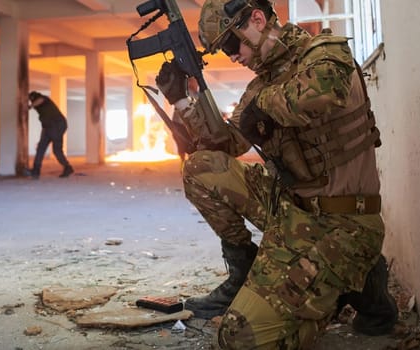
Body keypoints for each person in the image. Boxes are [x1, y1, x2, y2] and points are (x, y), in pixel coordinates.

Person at [155, 0, 397, 348]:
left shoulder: (325, 54)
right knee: (201, 166)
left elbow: (324, 91)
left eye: (230, 44)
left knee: (238, 337)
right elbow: (225, 143)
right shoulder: (260, 86)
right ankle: (243, 272)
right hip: (291, 210)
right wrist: (182, 101)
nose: (232, 57)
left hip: (343, 223)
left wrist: (263, 106)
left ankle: (351, 287)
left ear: (256, 18)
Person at [26, 91, 73, 179]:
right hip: (48, 126)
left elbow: (40, 99)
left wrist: (30, 106)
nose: (32, 102)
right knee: (42, 148)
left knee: (56, 150)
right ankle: (36, 171)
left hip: (57, 125)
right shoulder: (39, 105)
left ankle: (67, 167)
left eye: (32, 100)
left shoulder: (43, 99)